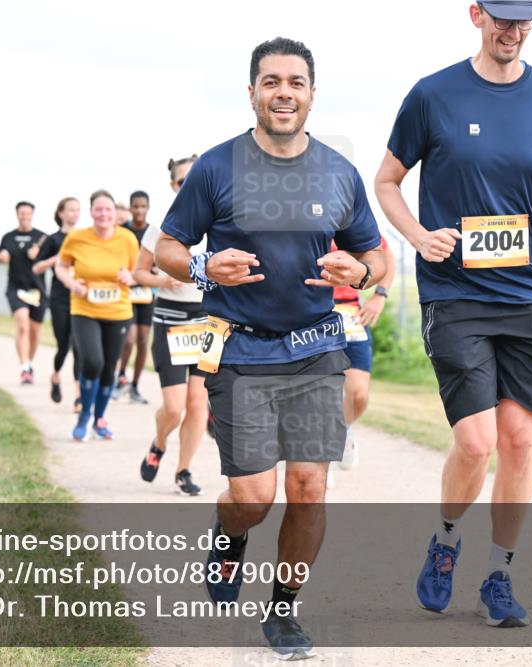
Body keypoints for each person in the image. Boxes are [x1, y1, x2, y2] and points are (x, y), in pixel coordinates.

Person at [155, 37, 386, 660]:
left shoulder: (340, 171)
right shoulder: (217, 168)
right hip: (242, 352)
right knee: (253, 498)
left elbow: (377, 254)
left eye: (295, 82)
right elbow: (167, 247)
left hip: (316, 349)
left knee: (310, 486)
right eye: (271, 81)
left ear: (312, 93)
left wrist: (359, 274)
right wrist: (205, 267)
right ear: (253, 92)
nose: (284, 92)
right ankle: (229, 538)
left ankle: (283, 612)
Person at [374, 0, 532, 628]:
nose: (514, 29)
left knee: (520, 439)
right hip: (454, 295)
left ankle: (499, 573)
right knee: (475, 442)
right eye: (503, 16)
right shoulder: (433, 94)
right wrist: (418, 237)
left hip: (527, 294)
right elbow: (387, 180)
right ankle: (446, 542)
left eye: (526, 19)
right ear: (475, 14)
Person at [134, 156, 205, 496]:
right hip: (171, 322)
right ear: (173, 186)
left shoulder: (219, 219)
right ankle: (159, 442)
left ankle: (184, 470)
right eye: (181, 182)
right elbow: (138, 272)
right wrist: (161, 281)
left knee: (197, 404)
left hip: (207, 324)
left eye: (194, 178)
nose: (188, 186)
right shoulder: (162, 224)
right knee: (174, 407)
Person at [55, 190, 138, 441]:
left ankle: (99, 419)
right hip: (84, 309)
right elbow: (61, 266)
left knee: (109, 368)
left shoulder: (128, 239)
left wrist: (130, 277)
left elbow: (138, 270)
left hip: (118, 310)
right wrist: (71, 284)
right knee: (92, 361)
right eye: (99, 209)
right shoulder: (77, 238)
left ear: (115, 213)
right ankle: (84, 415)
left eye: (108, 210)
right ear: (91, 212)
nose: (104, 214)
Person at [330, 236, 396, 472]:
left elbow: (386, 258)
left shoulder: (351, 216)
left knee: (358, 393)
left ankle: (343, 430)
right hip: (309, 313)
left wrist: (380, 296)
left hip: (350, 313)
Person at [34, 197, 83, 411]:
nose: (75, 214)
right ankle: (55, 376)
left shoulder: (84, 238)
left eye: (78, 210)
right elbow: (36, 268)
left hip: (80, 298)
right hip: (59, 299)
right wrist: (56, 260)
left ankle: (79, 396)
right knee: (63, 345)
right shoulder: (52, 239)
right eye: (71, 210)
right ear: (61, 213)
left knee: (79, 347)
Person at [0, 201, 48, 384]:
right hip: (16, 288)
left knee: (34, 331)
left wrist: (39, 255)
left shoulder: (41, 237)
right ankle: (24, 366)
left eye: (28, 213)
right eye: (21, 213)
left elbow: (53, 260)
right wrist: (1, 258)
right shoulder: (8, 237)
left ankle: (29, 363)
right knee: (23, 325)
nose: (24, 216)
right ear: (17, 214)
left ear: (32, 215)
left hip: (37, 290)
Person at [115, 190, 155, 404]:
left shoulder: (153, 231)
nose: (139, 210)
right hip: (126, 292)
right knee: (128, 339)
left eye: (143, 206)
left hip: (146, 292)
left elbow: (159, 259)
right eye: (136, 206)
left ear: (148, 208)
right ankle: (120, 376)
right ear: (130, 208)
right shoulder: (122, 231)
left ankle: (135, 386)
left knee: (142, 340)